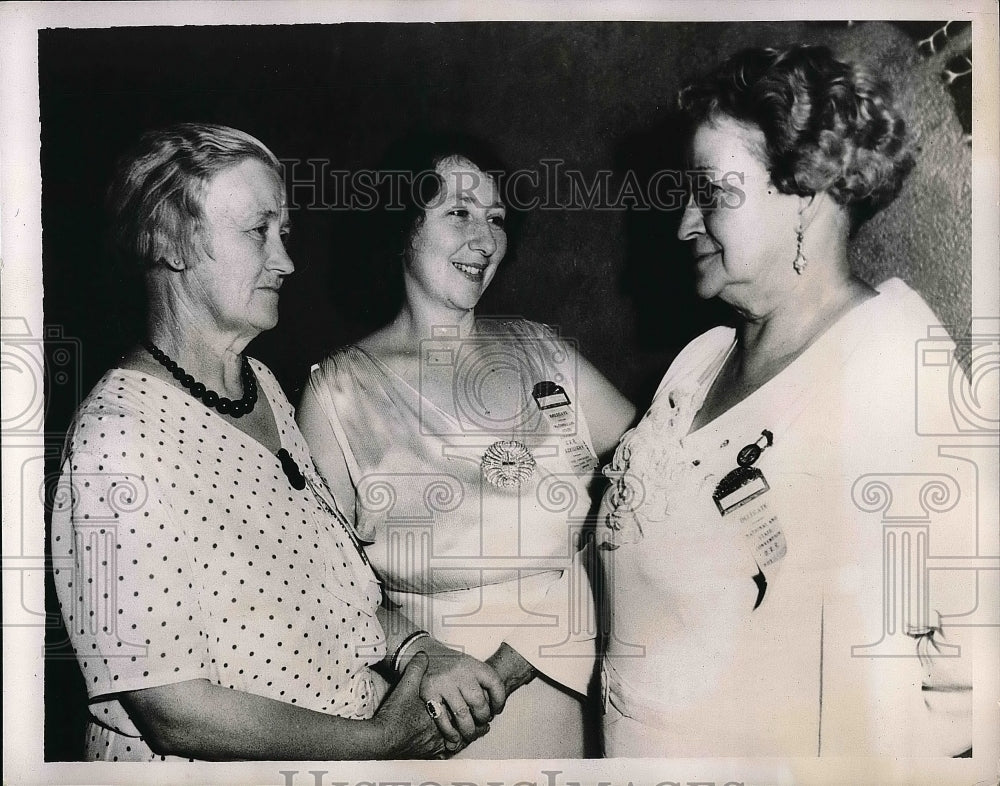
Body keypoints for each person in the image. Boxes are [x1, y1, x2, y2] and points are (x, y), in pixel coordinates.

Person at [50, 123, 504, 762]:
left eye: (282, 232)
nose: (286, 260)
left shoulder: (260, 386)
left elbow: (331, 597)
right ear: (170, 242)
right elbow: (173, 710)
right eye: (257, 230)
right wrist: (374, 741)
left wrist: (420, 649)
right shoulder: (119, 436)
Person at [599, 45, 975, 757]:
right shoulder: (698, 364)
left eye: (710, 191)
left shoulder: (889, 362)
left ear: (807, 191)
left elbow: (966, 675)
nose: (682, 224)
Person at [298, 134, 636, 758]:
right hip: (432, 711)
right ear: (403, 226)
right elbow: (323, 586)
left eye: (497, 219)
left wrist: (517, 659)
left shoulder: (547, 353)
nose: (484, 240)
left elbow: (649, 497)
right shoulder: (335, 394)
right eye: (459, 213)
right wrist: (417, 650)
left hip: (568, 690)